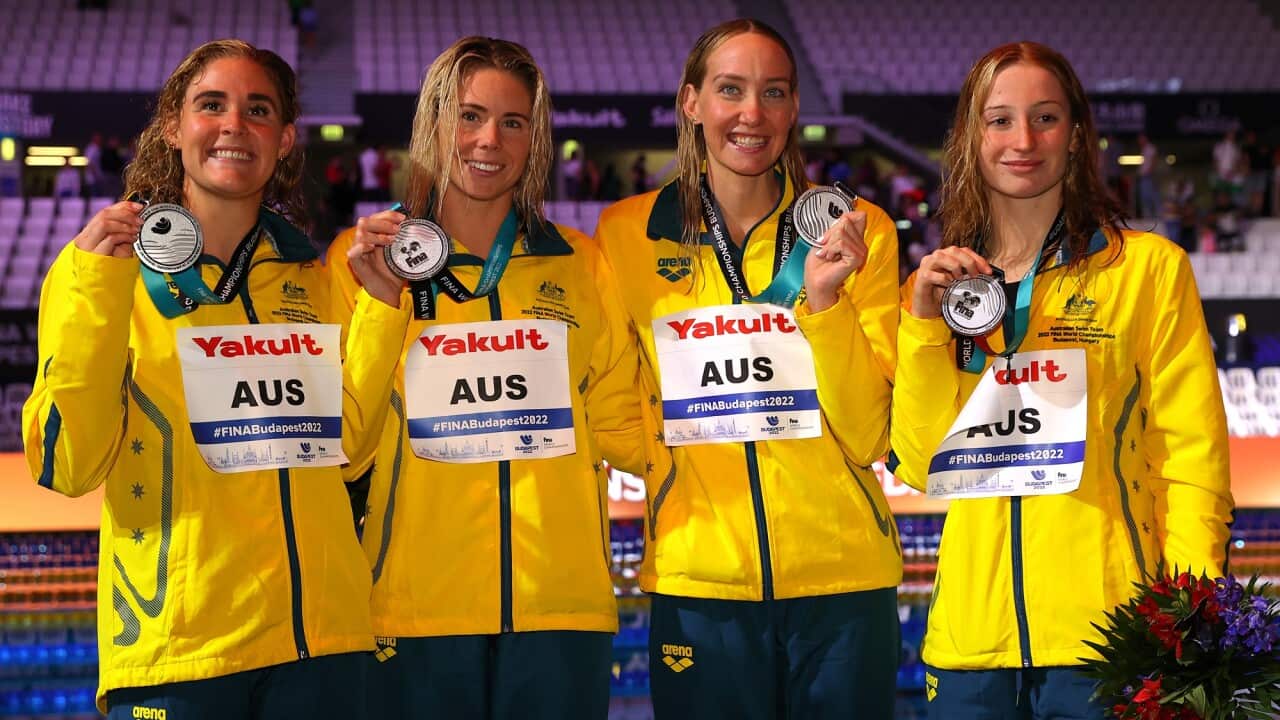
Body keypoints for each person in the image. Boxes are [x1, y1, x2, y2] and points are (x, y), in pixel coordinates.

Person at [21, 39, 409, 719]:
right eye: (211, 105)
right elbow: (68, 465)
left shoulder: (309, 278)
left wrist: (378, 308)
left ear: (285, 140)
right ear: (172, 126)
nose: (235, 124)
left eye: (258, 110)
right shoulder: (104, 271)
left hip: (321, 641)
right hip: (182, 649)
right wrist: (95, 292)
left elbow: (345, 449)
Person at [890, 42, 1231, 719]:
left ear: (1076, 135)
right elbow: (924, 466)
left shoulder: (1147, 272)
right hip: (969, 648)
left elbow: (1192, 458)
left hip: (1108, 639)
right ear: (970, 137)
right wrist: (927, 328)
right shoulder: (940, 291)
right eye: (1000, 120)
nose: (1023, 140)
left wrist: (1188, 613)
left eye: (1045, 118)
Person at [325, 36, 644, 719]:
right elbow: (345, 444)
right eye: (470, 116)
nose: (488, 140)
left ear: (535, 139)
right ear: (434, 124)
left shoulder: (580, 265)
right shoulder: (362, 263)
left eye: (513, 122)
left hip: (561, 612)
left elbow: (626, 426)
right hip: (415, 613)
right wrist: (383, 306)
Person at [594, 18, 901, 719]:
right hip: (700, 585)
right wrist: (675, 469)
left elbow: (870, 433)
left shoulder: (859, 231)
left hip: (845, 583)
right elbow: (612, 397)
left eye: (774, 93)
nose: (752, 114)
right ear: (691, 102)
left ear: (795, 110)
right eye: (730, 90)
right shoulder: (626, 235)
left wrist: (824, 308)